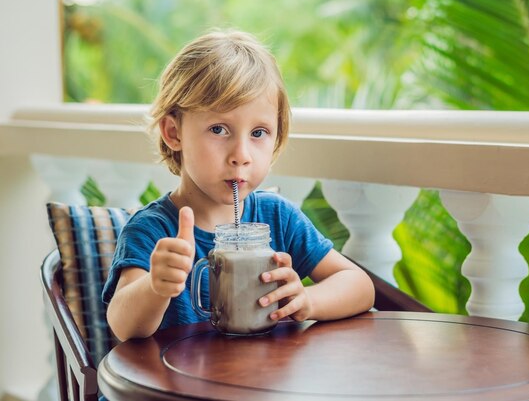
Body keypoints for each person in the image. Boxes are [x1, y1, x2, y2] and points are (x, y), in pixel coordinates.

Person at [102, 29, 375, 341]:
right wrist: (155, 286)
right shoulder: (153, 229)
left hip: (255, 384)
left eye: (258, 133)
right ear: (174, 133)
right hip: (174, 387)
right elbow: (122, 325)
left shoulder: (278, 219)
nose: (241, 156)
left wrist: (309, 300)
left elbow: (359, 284)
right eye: (219, 129)